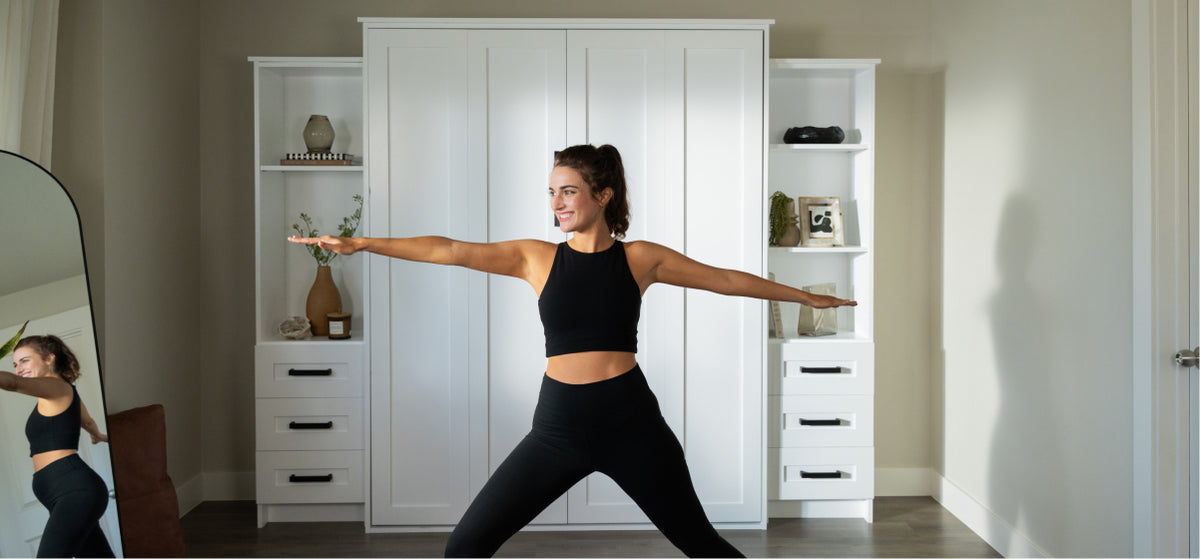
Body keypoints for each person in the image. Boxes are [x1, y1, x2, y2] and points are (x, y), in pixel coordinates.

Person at [290, 144, 856, 558]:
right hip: (558, 426)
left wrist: (805, 295)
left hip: (631, 421)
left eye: (568, 190)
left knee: (702, 545)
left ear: (601, 195)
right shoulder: (536, 257)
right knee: (465, 547)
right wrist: (361, 243)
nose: (557, 202)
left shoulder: (640, 258)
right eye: (552, 191)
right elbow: (450, 249)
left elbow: (726, 281)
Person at [0, 334, 114, 558]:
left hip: (74, 490)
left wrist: (96, 433)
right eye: (15, 364)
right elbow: (87, 420)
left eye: (25, 360)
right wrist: (97, 435)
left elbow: (12, 383)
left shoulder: (56, 387)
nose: (18, 368)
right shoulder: (63, 392)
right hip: (63, 491)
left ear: (49, 358)